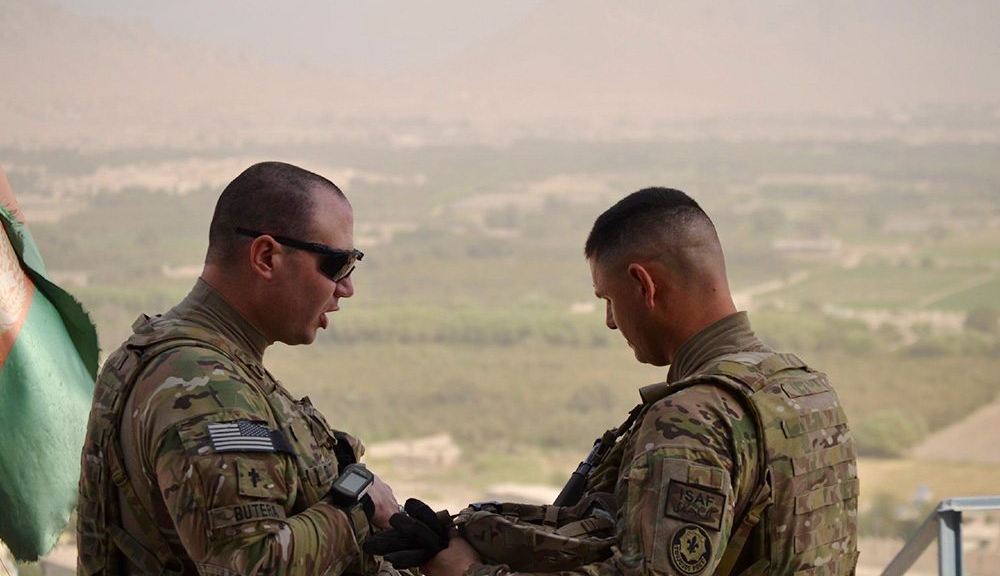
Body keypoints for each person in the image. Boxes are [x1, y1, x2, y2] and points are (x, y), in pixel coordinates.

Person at [416, 188, 859, 576]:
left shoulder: (691, 418)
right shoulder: (808, 390)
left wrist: (469, 572)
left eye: (608, 299)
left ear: (643, 285)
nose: (611, 322)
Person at [77, 162, 400, 576]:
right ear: (266, 257)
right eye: (336, 265)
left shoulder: (181, 355)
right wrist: (361, 503)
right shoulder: (201, 385)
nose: (346, 288)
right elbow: (251, 565)